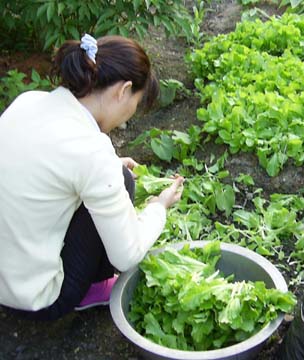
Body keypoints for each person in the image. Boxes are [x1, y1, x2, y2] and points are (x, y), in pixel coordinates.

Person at [0, 34, 184, 320]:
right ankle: (94, 289)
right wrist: (157, 208)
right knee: (123, 180)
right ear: (123, 91)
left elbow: (50, 166)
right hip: (37, 299)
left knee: (113, 175)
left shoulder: (28, 102)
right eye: (133, 107)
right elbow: (127, 255)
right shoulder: (93, 152)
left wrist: (106, 168)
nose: (127, 118)